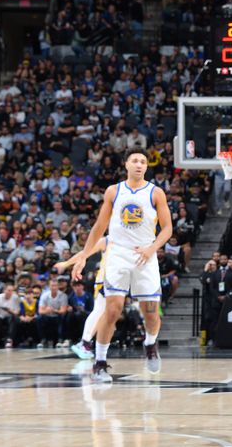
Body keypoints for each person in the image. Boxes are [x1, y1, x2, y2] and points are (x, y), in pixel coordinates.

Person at [72, 148, 173, 382]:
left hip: (145, 255)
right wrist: (84, 255)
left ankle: (150, 343)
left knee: (150, 311)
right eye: (135, 161)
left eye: (143, 162)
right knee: (112, 310)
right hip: (118, 254)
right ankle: (99, 362)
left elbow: (167, 228)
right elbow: (99, 227)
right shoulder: (113, 191)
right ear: (126, 164)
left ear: (147, 167)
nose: (139, 164)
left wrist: (151, 248)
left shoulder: (156, 193)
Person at [53, 237, 107, 360]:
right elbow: (85, 252)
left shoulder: (134, 240)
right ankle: (85, 343)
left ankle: (87, 343)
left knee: (106, 314)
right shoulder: (107, 240)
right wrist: (67, 263)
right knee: (100, 311)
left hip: (122, 280)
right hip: (107, 280)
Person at [0, 283, 20, 349]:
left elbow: (17, 313)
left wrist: (9, 311)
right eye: (9, 290)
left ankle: (9, 340)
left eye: (12, 291)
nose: (10, 292)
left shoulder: (16, 298)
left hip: (9, 317)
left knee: (14, 318)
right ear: (4, 290)